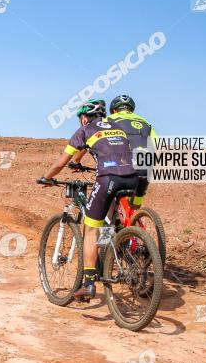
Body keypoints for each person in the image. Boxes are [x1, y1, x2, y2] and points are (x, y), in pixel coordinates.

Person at [39, 99, 140, 300]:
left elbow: (61, 162)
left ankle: (89, 283)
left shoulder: (85, 130)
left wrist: (47, 178)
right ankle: (110, 255)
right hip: (133, 177)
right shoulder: (117, 127)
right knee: (107, 220)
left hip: (108, 178)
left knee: (91, 228)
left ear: (84, 117)